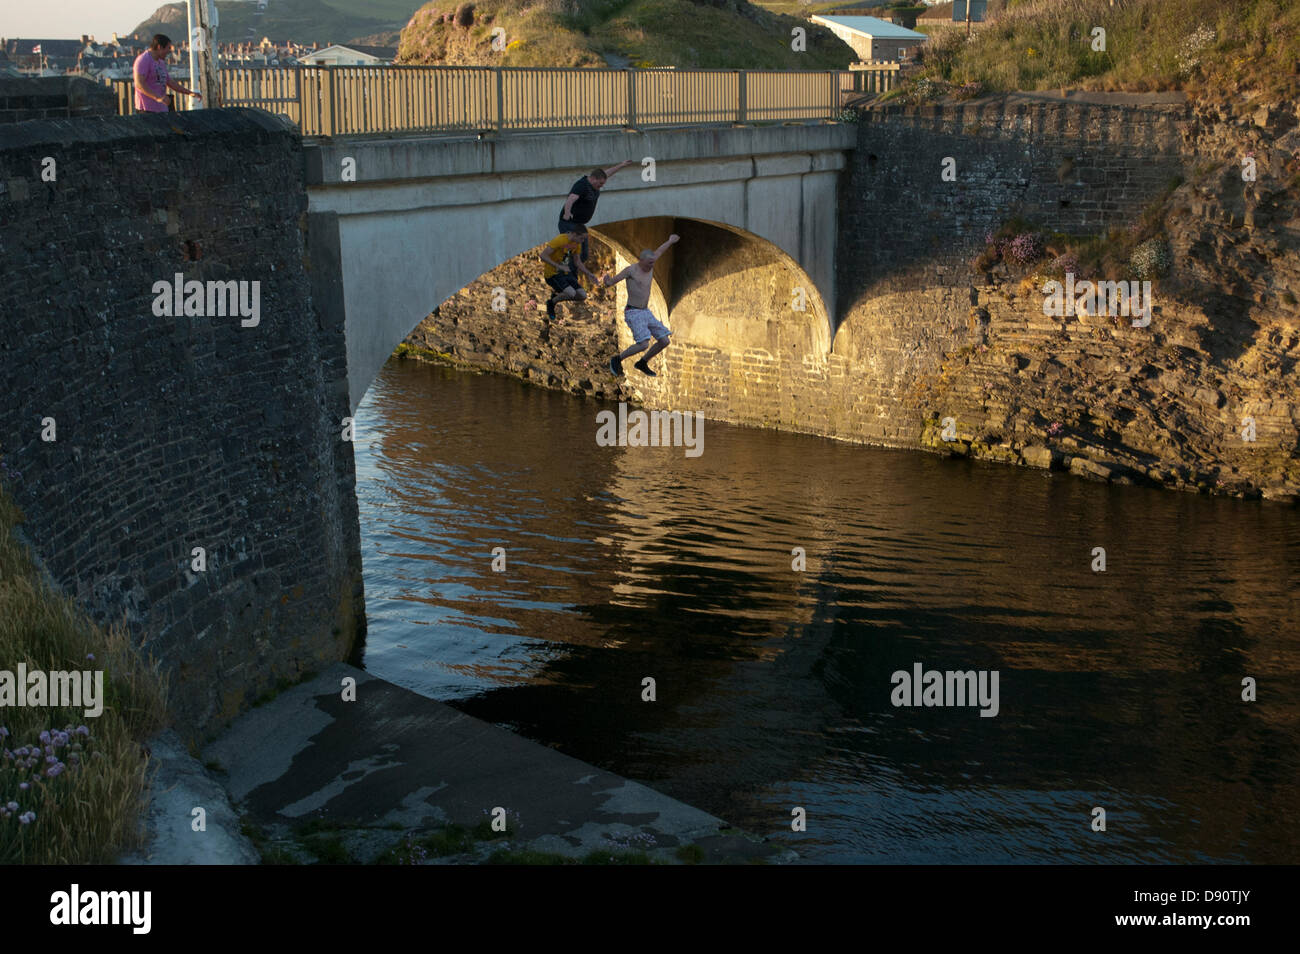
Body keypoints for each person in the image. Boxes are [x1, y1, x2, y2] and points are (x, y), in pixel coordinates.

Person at [603, 234, 679, 377]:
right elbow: (612, 282)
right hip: (633, 312)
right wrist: (607, 280)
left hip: (645, 312)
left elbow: (659, 251)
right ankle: (617, 359)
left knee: (664, 340)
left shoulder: (651, 262)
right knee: (644, 344)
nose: (651, 265)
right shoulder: (631, 271)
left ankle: (642, 362)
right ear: (641, 260)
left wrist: (670, 240)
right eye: (649, 263)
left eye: (652, 262)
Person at [558, 160, 634, 260]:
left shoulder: (595, 181)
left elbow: (607, 173)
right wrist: (567, 213)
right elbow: (570, 200)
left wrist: (621, 165)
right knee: (572, 252)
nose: (601, 186)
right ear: (593, 179)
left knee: (583, 255)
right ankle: (565, 270)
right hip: (569, 223)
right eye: (600, 183)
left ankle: (573, 270)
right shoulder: (582, 185)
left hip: (579, 224)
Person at [538, 225, 601, 319]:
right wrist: (559, 266)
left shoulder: (577, 243)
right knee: (571, 293)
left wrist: (589, 274)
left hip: (567, 274)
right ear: (575, 234)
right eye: (582, 238)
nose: (583, 241)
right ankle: (551, 303)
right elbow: (543, 255)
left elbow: (577, 261)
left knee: (582, 295)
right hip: (553, 274)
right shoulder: (560, 240)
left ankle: (556, 296)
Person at [133, 34, 201, 113]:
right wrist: (157, 97)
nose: (169, 51)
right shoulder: (144, 60)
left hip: (162, 109)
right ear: (159, 47)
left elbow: (169, 82)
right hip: (147, 110)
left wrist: (189, 93)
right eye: (168, 48)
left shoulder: (161, 62)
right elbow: (139, 83)